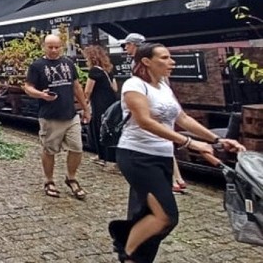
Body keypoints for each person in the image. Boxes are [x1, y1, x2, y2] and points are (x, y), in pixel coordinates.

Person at [108, 43, 245, 262]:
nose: (172, 62)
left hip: (162, 156)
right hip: (137, 156)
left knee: (147, 214)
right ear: (146, 61)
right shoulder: (134, 85)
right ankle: (128, 252)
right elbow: (145, 121)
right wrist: (190, 143)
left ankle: (135, 250)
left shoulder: (163, 86)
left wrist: (217, 140)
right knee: (166, 216)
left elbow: (182, 118)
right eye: (164, 58)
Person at [24, 35, 90, 200]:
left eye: (57, 47)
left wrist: (85, 108)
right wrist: (41, 95)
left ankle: (71, 178)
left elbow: (76, 86)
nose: (53, 50)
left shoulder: (68, 63)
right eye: (50, 47)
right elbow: (27, 87)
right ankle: (49, 180)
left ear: (62, 47)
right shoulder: (37, 66)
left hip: (70, 114)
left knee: (77, 148)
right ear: (44, 47)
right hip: (50, 116)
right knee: (50, 150)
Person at [122, 33, 187, 193]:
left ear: (133, 45)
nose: (125, 47)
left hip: (154, 134)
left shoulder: (142, 66)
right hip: (141, 150)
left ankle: (175, 178)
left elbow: (182, 117)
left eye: (127, 44)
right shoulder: (135, 83)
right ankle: (176, 178)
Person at [83, 45, 118, 166]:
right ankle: (110, 157)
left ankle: (103, 157)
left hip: (99, 103)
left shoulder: (94, 71)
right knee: (109, 128)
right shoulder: (108, 71)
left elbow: (88, 90)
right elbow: (115, 88)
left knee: (98, 128)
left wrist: (85, 103)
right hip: (110, 103)